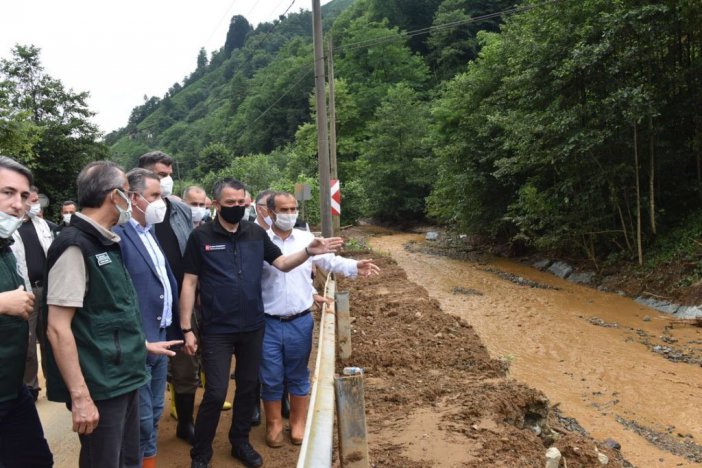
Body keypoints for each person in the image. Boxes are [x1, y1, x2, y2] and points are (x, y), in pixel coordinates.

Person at [180, 178, 344, 468]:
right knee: (217, 392)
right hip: (217, 329)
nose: (237, 207)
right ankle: (201, 452)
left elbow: (280, 264)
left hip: (253, 326)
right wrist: (186, 328)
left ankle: (239, 442)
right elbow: (190, 282)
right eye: (230, 203)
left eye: (241, 202)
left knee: (248, 387)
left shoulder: (255, 233)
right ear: (216, 205)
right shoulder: (201, 237)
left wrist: (309, 251)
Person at [43, 160, 180, 468]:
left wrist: (141, 346)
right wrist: (80, 397)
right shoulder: (74, 246)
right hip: (102, 384)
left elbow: (108, 314)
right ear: (114, 196)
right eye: (129, 193)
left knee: (128, 459)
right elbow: (57, 328)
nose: (134, 201)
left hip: (124, 375)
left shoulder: (105, 240)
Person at [261, 191, 379, 447]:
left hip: (299, 320)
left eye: (293, 208)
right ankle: (273, 424)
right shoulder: (259, 240)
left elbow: (329, 260)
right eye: (284, 209)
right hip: (267, 321)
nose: (290, 214)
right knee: (270, 375)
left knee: (298, 374)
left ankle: (298, 423)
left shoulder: (307, 238)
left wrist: (354, 267)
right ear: (270, 213)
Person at [113, 169, 183, 467]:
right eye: (154, 196)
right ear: (133, 198)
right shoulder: (119, 236)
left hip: (161, 336)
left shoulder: (149, 232)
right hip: (138, 343)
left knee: (154, 412)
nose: (160, 203)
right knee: (139, 421)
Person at [138, 151, 203, 444]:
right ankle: (143, 431)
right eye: (160, 174)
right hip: (146, 305)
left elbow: (191, 256)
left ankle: (185, 422)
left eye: (168, 173)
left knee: (186, 365)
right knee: (145, 366)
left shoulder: (180, 211)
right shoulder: (129, 218)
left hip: (181, 301)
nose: (167, 180)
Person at [0, 156, 53, 467]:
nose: (18, 204)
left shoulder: (5, 246)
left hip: (10, 389)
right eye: (7, 192)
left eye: (22, 195)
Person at [10, 185, 54, 401]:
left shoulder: (43, 225)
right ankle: (30, 387)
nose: (35, 204)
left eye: (37, 200)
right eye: (32, 200)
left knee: (51, 337)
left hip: (47, 288)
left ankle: (54, 381)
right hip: (24, 291)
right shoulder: (10, 228)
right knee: (27, 343)